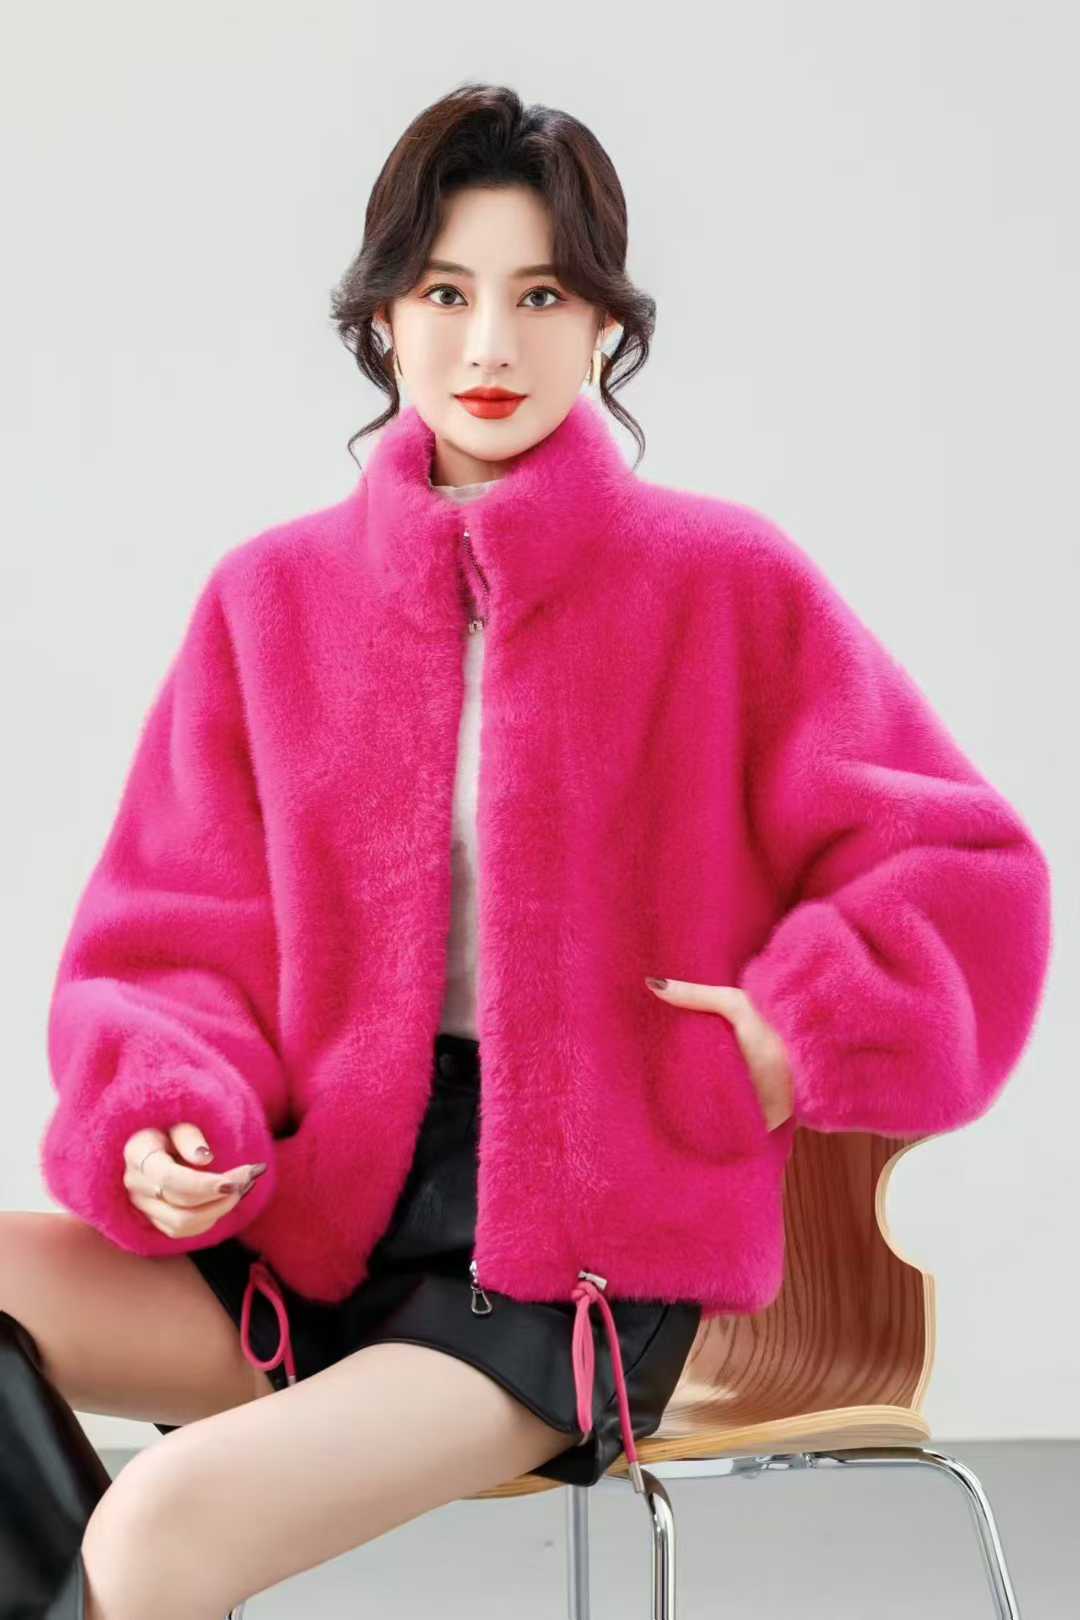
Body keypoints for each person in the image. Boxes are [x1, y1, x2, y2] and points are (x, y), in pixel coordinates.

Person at [3, 83, 1051, 1619]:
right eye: (445, 293)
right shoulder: (271, 602)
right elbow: (171, 938)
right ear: (380, 319)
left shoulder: (722, 584)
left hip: (578, 1260)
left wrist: (790, 1036)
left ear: (607, 324)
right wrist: (167, 1110)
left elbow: (963, 870)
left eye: (542, 295)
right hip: (312, 1220)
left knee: (159, 1527)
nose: (490, 344)